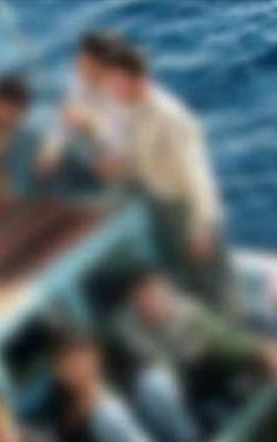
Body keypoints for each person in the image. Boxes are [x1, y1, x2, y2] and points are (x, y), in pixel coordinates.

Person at [103, 43, 229, 307]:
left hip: (189, 214)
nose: (111, 90)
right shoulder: (131, 113)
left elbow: (198, 178)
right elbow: (142, 163)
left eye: (117, 83)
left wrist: (201, 229)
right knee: (183, 286)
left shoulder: (170, 117)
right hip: (162, 211)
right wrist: (120, 168)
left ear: (139, 80)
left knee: (213, 290)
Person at [111, 269, 277, 434]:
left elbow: (224, 339)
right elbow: (149, 373)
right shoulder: (124, 331)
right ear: (133, 302)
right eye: (144, 298)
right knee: (157, 386)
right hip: (169, 398)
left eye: (157, 294)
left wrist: (260, 350)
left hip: (201, 376)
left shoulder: (188, 312)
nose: (153, 302)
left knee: (263, 336)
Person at [38, 328, 161, 442]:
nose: (71, 370)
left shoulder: (118, 367)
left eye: (75, 359)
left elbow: (144, 378)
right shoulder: (58, 405)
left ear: (93, 355)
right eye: (62, 365)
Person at [38, 31, 130, 191]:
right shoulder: (80, 80)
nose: (79, 66)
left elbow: (125, 142)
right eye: (80, 59)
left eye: (86, 63)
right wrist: (52, 150)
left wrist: (92, 124)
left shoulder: (124, 93)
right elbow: (63, 121)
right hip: (89, 156)